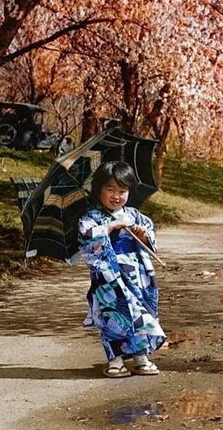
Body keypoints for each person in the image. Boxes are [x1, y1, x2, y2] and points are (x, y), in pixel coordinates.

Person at [77, 161, 166, 378]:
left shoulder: (134, 215)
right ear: (99, 189)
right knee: (113, 317)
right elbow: (87, 241)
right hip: (110, 277)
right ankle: (114, 360)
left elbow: (149, 235)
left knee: (141, 312)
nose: (116, 196)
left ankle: (141, 357)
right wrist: (108, 227)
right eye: (110, 189)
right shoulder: (91, 218)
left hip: (137, 273)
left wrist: (144, 236)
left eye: (122, 191)